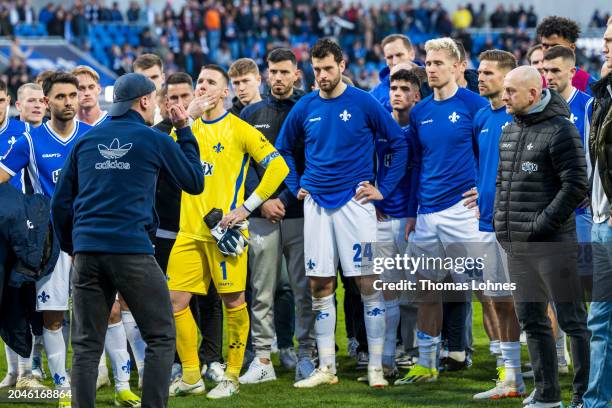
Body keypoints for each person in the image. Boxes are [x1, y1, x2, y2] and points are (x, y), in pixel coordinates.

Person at [51, 72, 204, 408]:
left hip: (88, 253)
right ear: (145, 101)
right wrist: (185, 130)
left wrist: (73, 247)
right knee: (162, 336)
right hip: (132, 251)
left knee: (87, 345)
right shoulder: (154, 139)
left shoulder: (86, 141)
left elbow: (60, 204)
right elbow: (194, 181)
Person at [276, 38, 408, 389]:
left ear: (342, 65)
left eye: (327, 68)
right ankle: (327, 369)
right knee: (320, 284)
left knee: (367, 283)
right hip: (317, 205)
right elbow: (283, 149)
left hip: (356, 205)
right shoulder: (304, 106)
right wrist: (296, 182)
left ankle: (377, 366)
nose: (321, 75)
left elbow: (398, 141)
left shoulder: (363, 101)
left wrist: (384, 188)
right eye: (316, 69)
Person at [166, 64, 289, 399]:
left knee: (233, 301)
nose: (202, 87)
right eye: (200, 81)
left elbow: (279, 166)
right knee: (175, 301)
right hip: (189, 232)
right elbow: (161, 155)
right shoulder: (185, 130)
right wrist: (184, 122)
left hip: (224, 233)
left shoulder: (239, 129)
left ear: (225, 92)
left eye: (211, 83)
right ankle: (192, 374)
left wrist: (247, 207)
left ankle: (232, 376)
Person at [394, 38, 487, 385]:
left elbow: (489, 153)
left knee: (487, 291)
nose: (430, 69)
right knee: (427, 291)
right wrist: (412, 213)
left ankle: (505, 366)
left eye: (437, 63)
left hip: (464, 211)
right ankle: (427, 363)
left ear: (458, 67)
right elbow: (417, 163)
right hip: (427, 212)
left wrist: (486, 192)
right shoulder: (419, 112)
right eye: (428, 63)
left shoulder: (475, 106)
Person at [496, 65, 590, 408]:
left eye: (510, 91)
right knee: (532, 321)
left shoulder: (562, 130)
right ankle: (548, 395)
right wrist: (501, 225)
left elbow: (576, 185)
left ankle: (583, 395)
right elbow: (502, 185)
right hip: (517, 246)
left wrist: (540, 224)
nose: (504, 96)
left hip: (553, 245)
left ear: (533, 95)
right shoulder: (509, 130)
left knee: (572, 321)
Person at [0, 72, 93, 406]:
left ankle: (121, 382)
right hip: (50, 243)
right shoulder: (29, 140)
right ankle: (62, 385)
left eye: (73, 95)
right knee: (53, 317)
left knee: (106, 311)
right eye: (60, 96)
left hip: (91, 237)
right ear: (47, 100)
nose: (68, 101)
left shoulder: (93, 136)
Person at [238, 48, 314, 384]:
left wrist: (281, 197)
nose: (278, 78)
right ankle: (263, 357)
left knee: (304, 288)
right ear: (266, 73)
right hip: (261, 215)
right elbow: (243, 166)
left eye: (285, 72)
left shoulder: (309, 108)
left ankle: (307, 355)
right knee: (262, 290)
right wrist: (261, 202)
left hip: (298, 212)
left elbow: (311, 159)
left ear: (296, 73)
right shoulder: (250, 113)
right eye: (273, 72)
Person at [154, 72, 226, 385]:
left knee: (209, 300)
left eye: (187, 96)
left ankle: (212, 358)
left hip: (203, 228)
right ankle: (177, 362)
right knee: (167, 301)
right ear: (163, 101)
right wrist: (183, 123)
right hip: (168, 229)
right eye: (174, 98)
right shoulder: (158, 132)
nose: (183, 104)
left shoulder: (211, 130)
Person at [471, 49, 525, 400]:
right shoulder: (479, 117)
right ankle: (511, 377)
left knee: (530, 303)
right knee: (500, 299)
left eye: (488, 73)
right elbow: (483, 163)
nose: (480, 77)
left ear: (506, 78)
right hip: (487, 222)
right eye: (480, 71)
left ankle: (551, 369)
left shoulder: (520, 119)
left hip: (516, 224)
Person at [0, 78, 47, 391]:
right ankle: (13, 372)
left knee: (25, 300)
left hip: (23, 231)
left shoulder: (22, 135)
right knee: (5, 302)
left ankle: (30, 370)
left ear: (6, 101)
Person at [373, 68, 420, 380]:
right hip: (381, 217)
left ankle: (412, 352)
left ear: (416, 95)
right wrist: (375, 202)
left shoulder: (420, 132)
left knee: (412, 294)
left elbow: (420, 174)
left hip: (410, 219)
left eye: (404, 88)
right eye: (393, 88)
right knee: (386, 290)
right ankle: (388, 356)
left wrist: (415, 212)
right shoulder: (377, 130)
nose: (397, 93)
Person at [583, 17, 612, 408]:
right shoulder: (604, 98)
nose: (604, 44)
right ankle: (596, 402)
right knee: (600, 321)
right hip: (602, 222)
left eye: (611, 39)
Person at [536, 16, 596, 95]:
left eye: (555, 46)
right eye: (545, 46)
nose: (549, 50)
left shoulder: (589, 85)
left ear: (572, 48)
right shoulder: (535, 85)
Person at [370, 34, 418, 111]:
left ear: (412, 55)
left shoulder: (432, 85)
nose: (395, 62)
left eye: (399, 55)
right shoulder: (373, 97)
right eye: (389, 57)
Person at [133, 53, 165, 124]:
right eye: (144, 78)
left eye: (154, 77)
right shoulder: (129, 114)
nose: (150, 82)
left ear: (163, 78)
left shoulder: (175, 107)